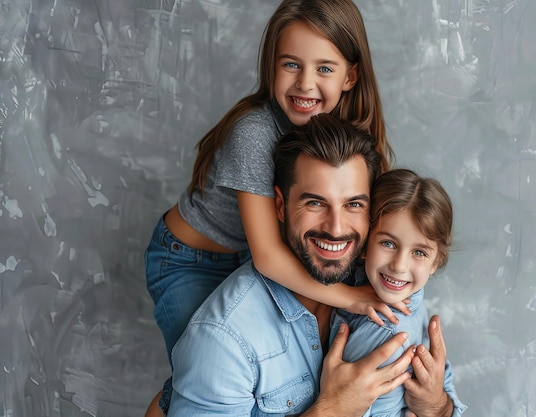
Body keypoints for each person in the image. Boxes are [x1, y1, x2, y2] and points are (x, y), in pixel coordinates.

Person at [145, 1, 406, 413]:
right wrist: (351, 298)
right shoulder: (254, 134)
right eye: (291, 65)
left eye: (324, 68)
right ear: (271, 67)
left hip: (255, 252)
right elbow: (268, 257)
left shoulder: (345, 133)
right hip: (192, 260)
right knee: (199, 364)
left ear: (351, 75)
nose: (305, 84)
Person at [167, 114, 457, 417]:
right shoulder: (223, 340)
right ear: (280, 206)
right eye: (315, 203)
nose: (335, 228)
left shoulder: (385, 287)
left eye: (353, 204)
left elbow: (443, 400)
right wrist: (332, 410)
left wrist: (436, 406)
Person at [330, 169, 468, 416]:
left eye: (419, 252)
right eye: (388, 243)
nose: (399, 266)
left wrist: (437, 406)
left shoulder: (384, 329)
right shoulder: (412, 297)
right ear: (364, 244)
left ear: (436, 261)